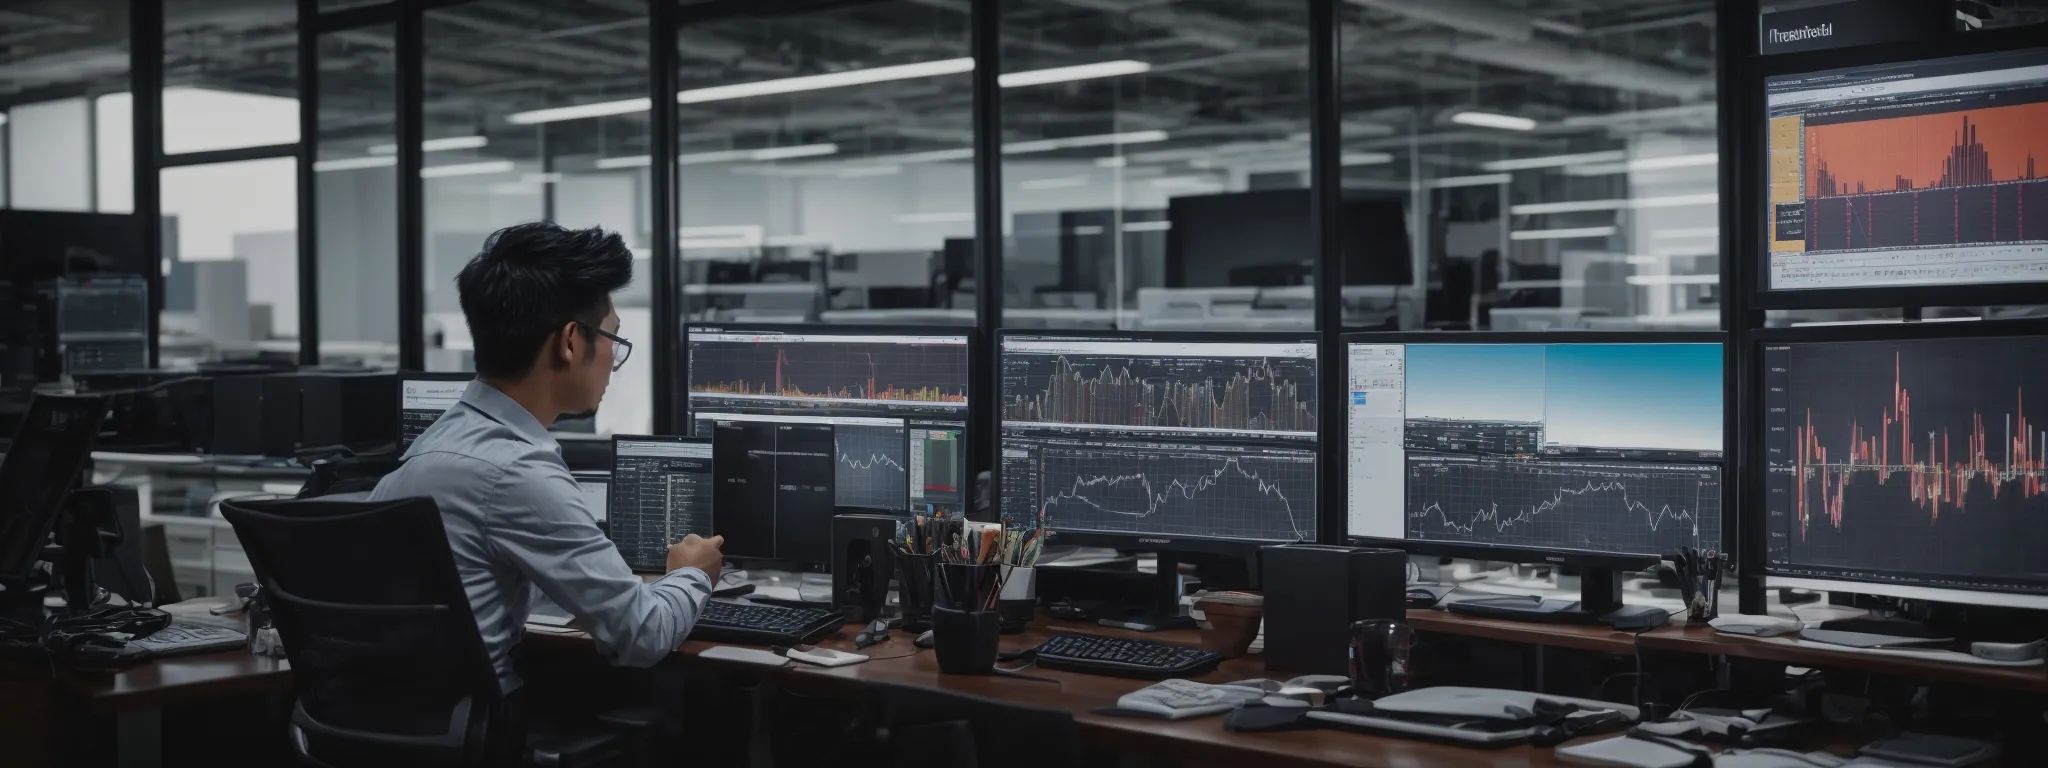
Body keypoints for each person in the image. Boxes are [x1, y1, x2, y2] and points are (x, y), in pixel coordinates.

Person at [370, 222, 724, 696]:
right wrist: (691, 572)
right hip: (472, 736)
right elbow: (642, 635)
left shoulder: (434, 444)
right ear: (572, 342)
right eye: (613, 342)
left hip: (397, 729)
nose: (612, 363)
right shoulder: (519, 471)